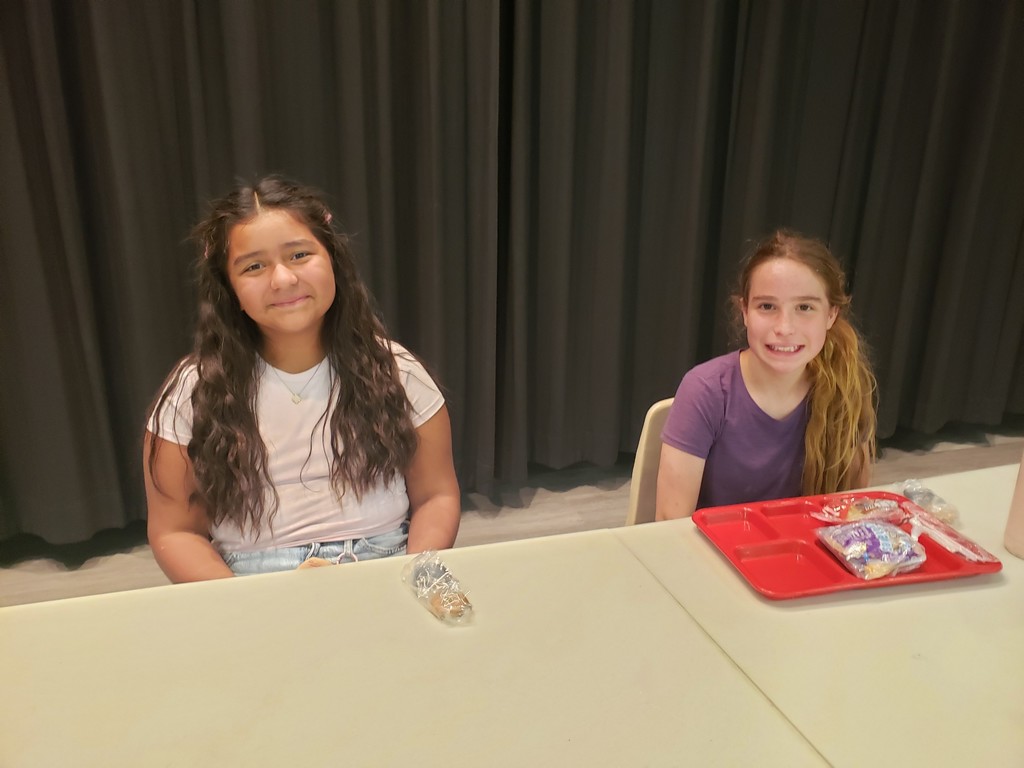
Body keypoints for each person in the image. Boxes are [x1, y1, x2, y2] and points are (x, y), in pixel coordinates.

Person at [144, 176, 461, 581]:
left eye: (298, 255)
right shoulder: (192, 391)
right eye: (254, 266)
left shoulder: (397, 370)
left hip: (391, 561)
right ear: (229, 288)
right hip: (251, 580)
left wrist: (416, 573)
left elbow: (437, 495)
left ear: (332, 258)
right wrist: (243, 604)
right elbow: (176, 531)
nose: (283, 280)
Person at [656, 229, 877, 520]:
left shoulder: (847, 386)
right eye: (767, 306)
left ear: (831, 315)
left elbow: (849, 514)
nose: (784, 327)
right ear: (745, 311)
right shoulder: (705, 390)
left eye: (805, 307)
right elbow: (671, 523)